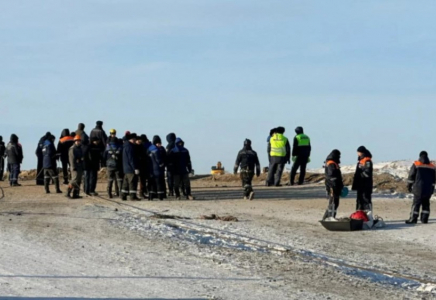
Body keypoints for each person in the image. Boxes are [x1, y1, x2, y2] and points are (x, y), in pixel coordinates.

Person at [405, 151, 436, 224]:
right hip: (428, 189)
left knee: (416, 204)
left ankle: (413, 219)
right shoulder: (432, 166)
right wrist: (432, 189)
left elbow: (411, 176)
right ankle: (424, 219)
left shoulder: (416, 164)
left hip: (418, 188)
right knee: (426, 204)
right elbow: (434, 179)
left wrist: (409, 186)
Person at [322, 150, 344, 220]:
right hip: (333, 186)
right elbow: (332, 175)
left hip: (333, 185)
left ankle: (328, 217)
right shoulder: (331, 163)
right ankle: (329, 217)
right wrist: (335, 185)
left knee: (333, 202)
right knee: (333, 202)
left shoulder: (332, 163)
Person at [352, 146, 373, 211]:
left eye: (359, 152)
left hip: (365, 184)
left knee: (365, 199)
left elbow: (367, 172)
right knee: (359, 200)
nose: (358, 153)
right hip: (360, 184)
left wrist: (360, 176)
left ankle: (368, 215)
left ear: (362, 152)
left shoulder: (367, 161)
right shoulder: (360, 161)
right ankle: (359, 214)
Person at [121, 133, 140, 201]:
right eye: (134, 139)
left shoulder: (125, 146)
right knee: (132, 182)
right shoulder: (130, 147)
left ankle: (123, 195)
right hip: (131, 168)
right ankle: (133, 196)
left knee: (125, 183)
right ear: (132, 139)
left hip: (126, 168)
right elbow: (132, 159)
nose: (135, 140)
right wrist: (135, 168)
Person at [148, 136, 167, 200]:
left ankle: (151, 196)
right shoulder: (157, 150)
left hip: (151, 169)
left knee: (152, 184)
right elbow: (159, 159)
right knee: (159, 183)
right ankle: (160, 196)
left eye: (160, 144)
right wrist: (162, 164)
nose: (159, 145)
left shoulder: (149, 149)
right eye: (158, 144)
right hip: (158, 169)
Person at [137, 135, 151, 199]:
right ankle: (146, 192)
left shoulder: (141, 146)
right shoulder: (150, 145)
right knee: (147, 179)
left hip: (142, 164)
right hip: (148, 164)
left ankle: (142, 192)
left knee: (142, 180)